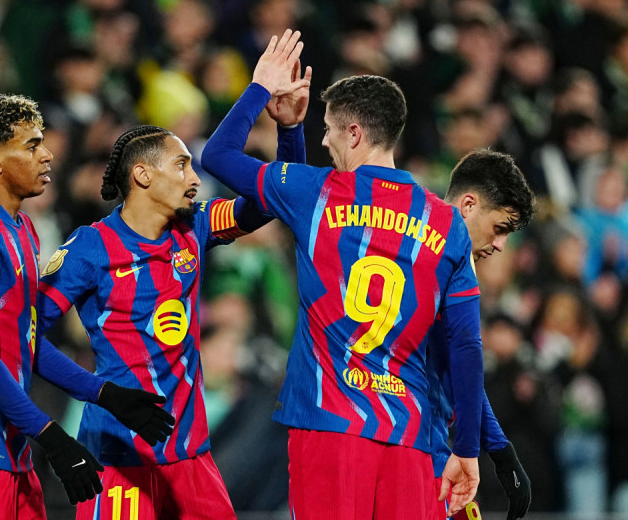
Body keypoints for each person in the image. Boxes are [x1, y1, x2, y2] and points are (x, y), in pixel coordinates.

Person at [0, 109, 307, 517]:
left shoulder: (195, 227)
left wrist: (289, 127)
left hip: (189, 456)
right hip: (119, 457)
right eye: (181, 165)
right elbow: (25, 331)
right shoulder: (88, 249)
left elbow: (275, 198)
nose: (195, 179)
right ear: (143, 175)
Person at [201, 30, 485, 518]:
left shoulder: (317, 193)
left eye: (328, 129)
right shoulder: (448, 223)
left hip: (328, 424)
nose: (324, 140)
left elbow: (218, 156)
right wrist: (467, 448)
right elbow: (466, 345)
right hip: (408, 436)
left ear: (354, 133)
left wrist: (261, 89)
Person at [0, 93, 174, 519]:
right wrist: (53, 438)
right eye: (32, 145)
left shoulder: (22, 229)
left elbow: (24, 343)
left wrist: (103, 394)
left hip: (10, 450)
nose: (48, 154)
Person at [427, 149, 535, 520]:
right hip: (412, 445)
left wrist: (501, 451)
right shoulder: (439, 265)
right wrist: (489, 449)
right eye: (500, 228)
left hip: (424, 439)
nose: (501, 245)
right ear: (468, 206)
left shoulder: (427, 253)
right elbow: (458, 361)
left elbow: (460, 372)